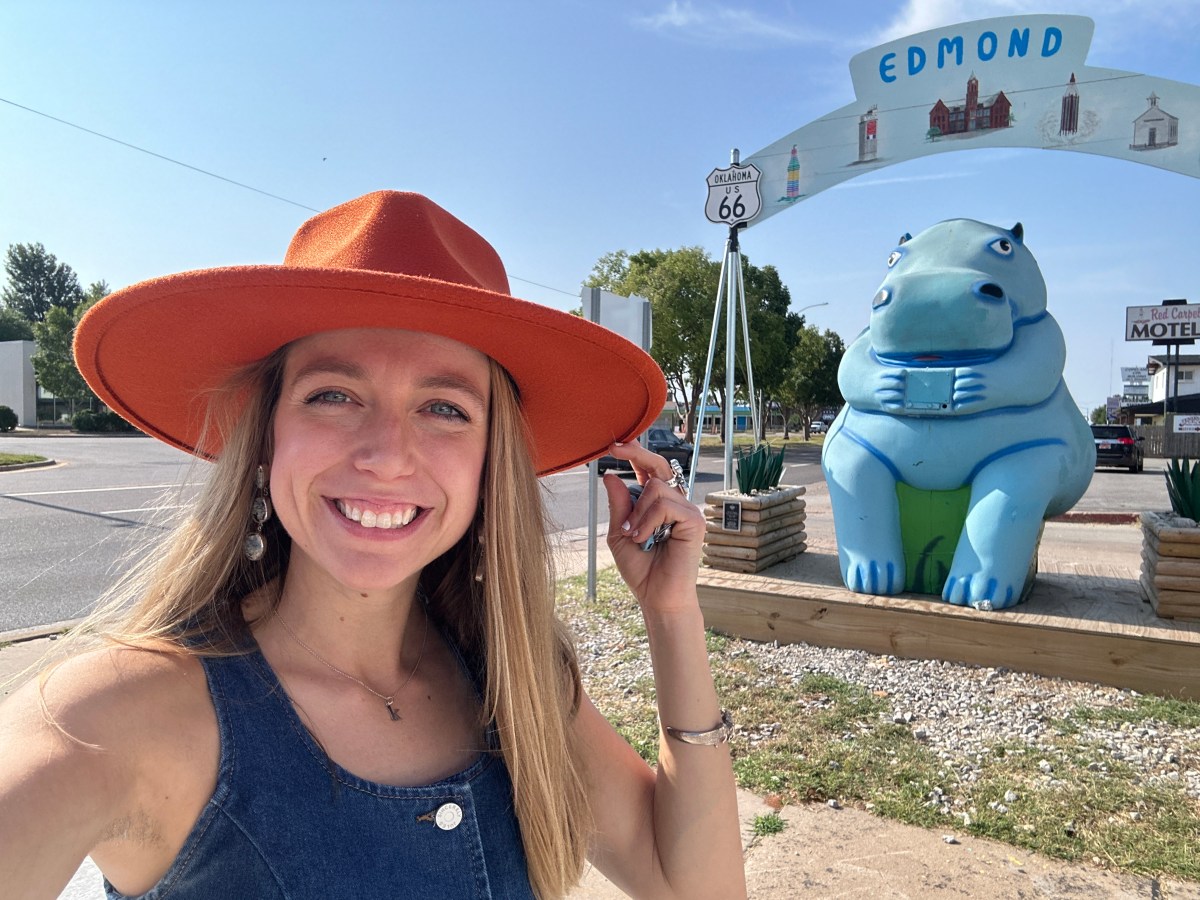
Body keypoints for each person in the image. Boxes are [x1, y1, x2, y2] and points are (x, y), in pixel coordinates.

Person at [0, 191, 745, 899]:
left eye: (444, 408)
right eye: (333, 395)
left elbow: (693, 886)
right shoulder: (118, 714)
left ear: (491, 466)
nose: (387, 455)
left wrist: (672, 615)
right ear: (266, 438)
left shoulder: (512, 684)